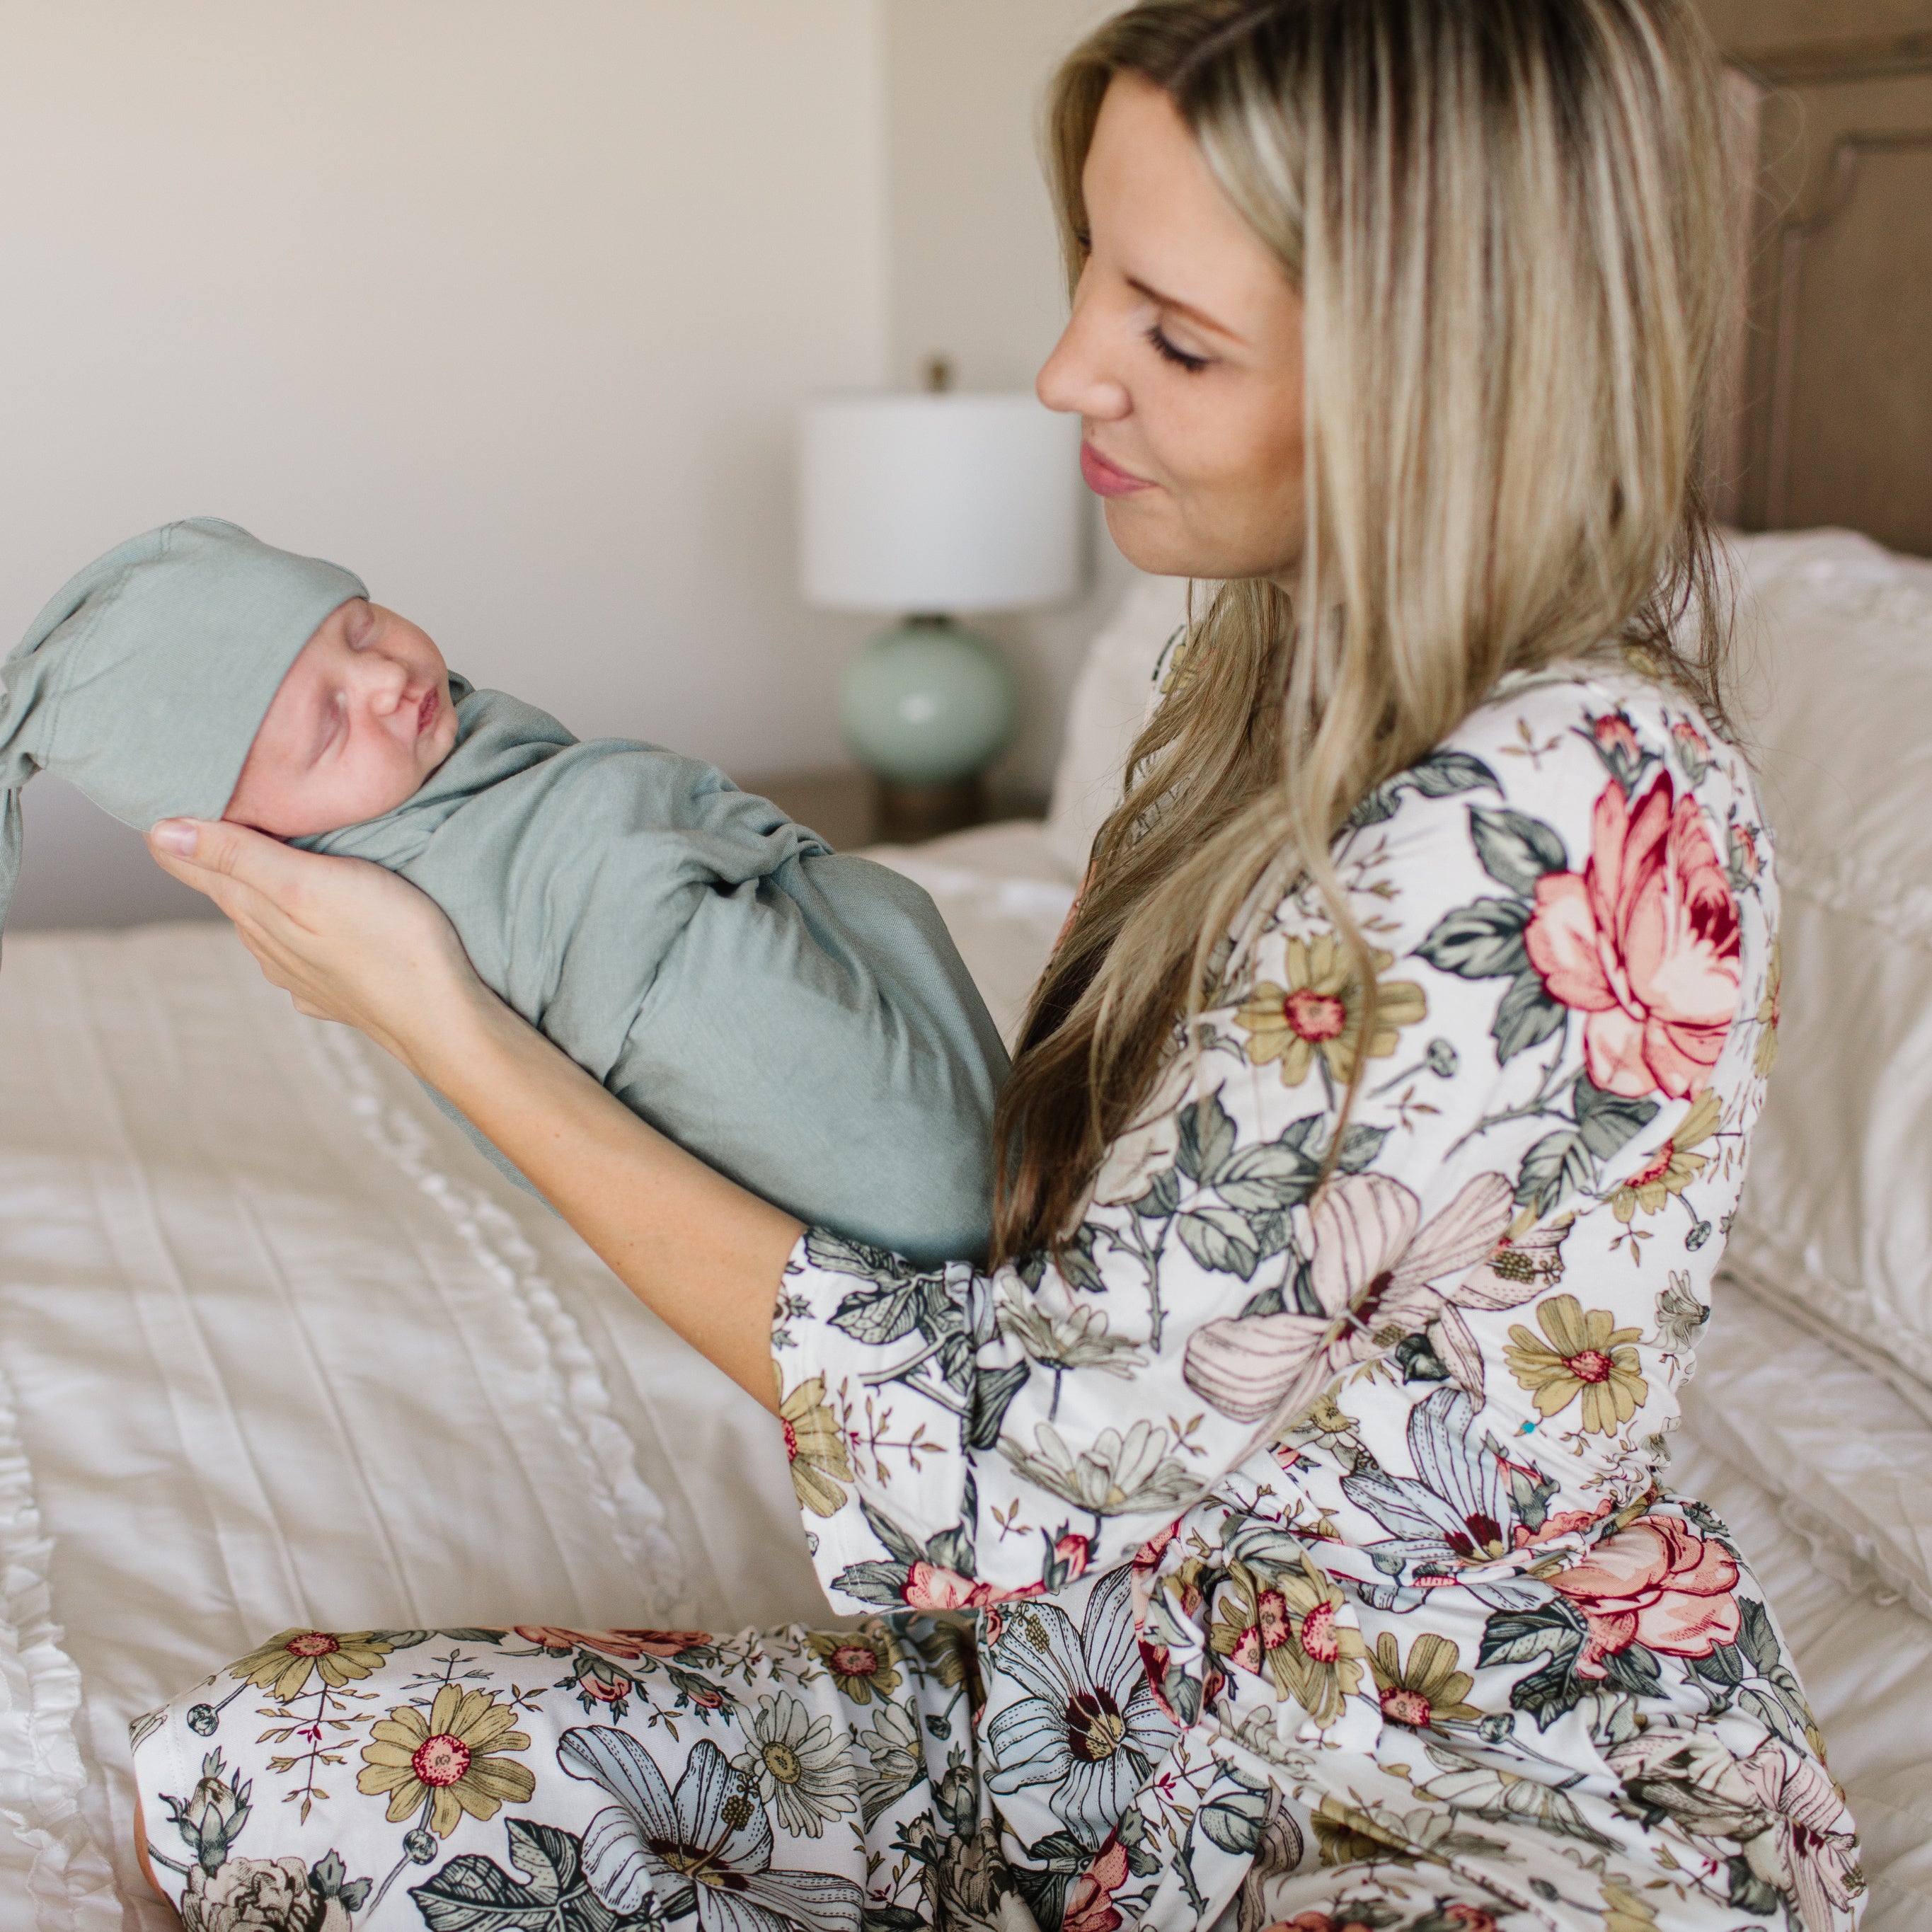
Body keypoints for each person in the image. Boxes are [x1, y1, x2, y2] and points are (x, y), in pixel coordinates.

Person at [129, 1, 1861, 1927]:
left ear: (1443, 374)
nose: (1063, 374)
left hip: (1446, 1784)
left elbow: (1011, 1460)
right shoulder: (1268, 664)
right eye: (1091, 274)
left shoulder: (1560, 802)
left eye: (1173, 337)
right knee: (242, 1777)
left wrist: (447, 1024)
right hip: (1099, 1701)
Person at [0, 518, 1006, 1262]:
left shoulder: (457, 756)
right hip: (809, 1104)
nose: (387, 681)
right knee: (917, 1161)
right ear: (241, 834)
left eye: (360, 628)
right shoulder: (402, 883)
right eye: (330, 724)